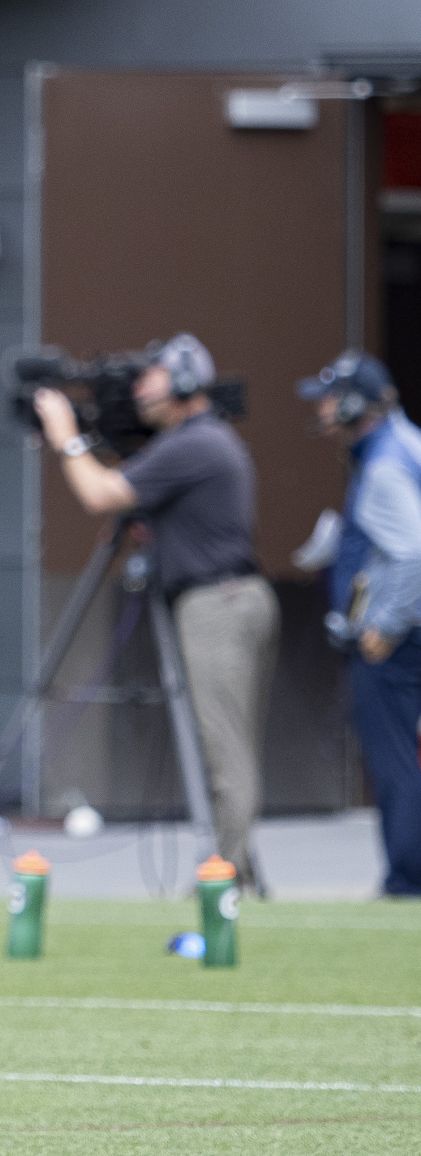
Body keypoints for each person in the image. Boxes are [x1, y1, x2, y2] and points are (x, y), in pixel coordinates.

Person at [36, 335, 277, 888]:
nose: (142, 388)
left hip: (218, 605)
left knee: (225, 752)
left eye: (154, 377)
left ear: (186, 384)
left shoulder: (193, 443)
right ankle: (237, 868)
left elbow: (99, 493)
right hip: (233, 599)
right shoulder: (201, 442)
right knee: (231, 747)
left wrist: (67, 437)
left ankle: (226, 879)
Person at [300, 351, 421, 896]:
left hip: (397, 641)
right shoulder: (406, 443)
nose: (322, 408)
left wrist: (388, 623)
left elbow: (416, 552)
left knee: (396, 760)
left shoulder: (383, 464)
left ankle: (406, 878)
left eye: (330, 397)